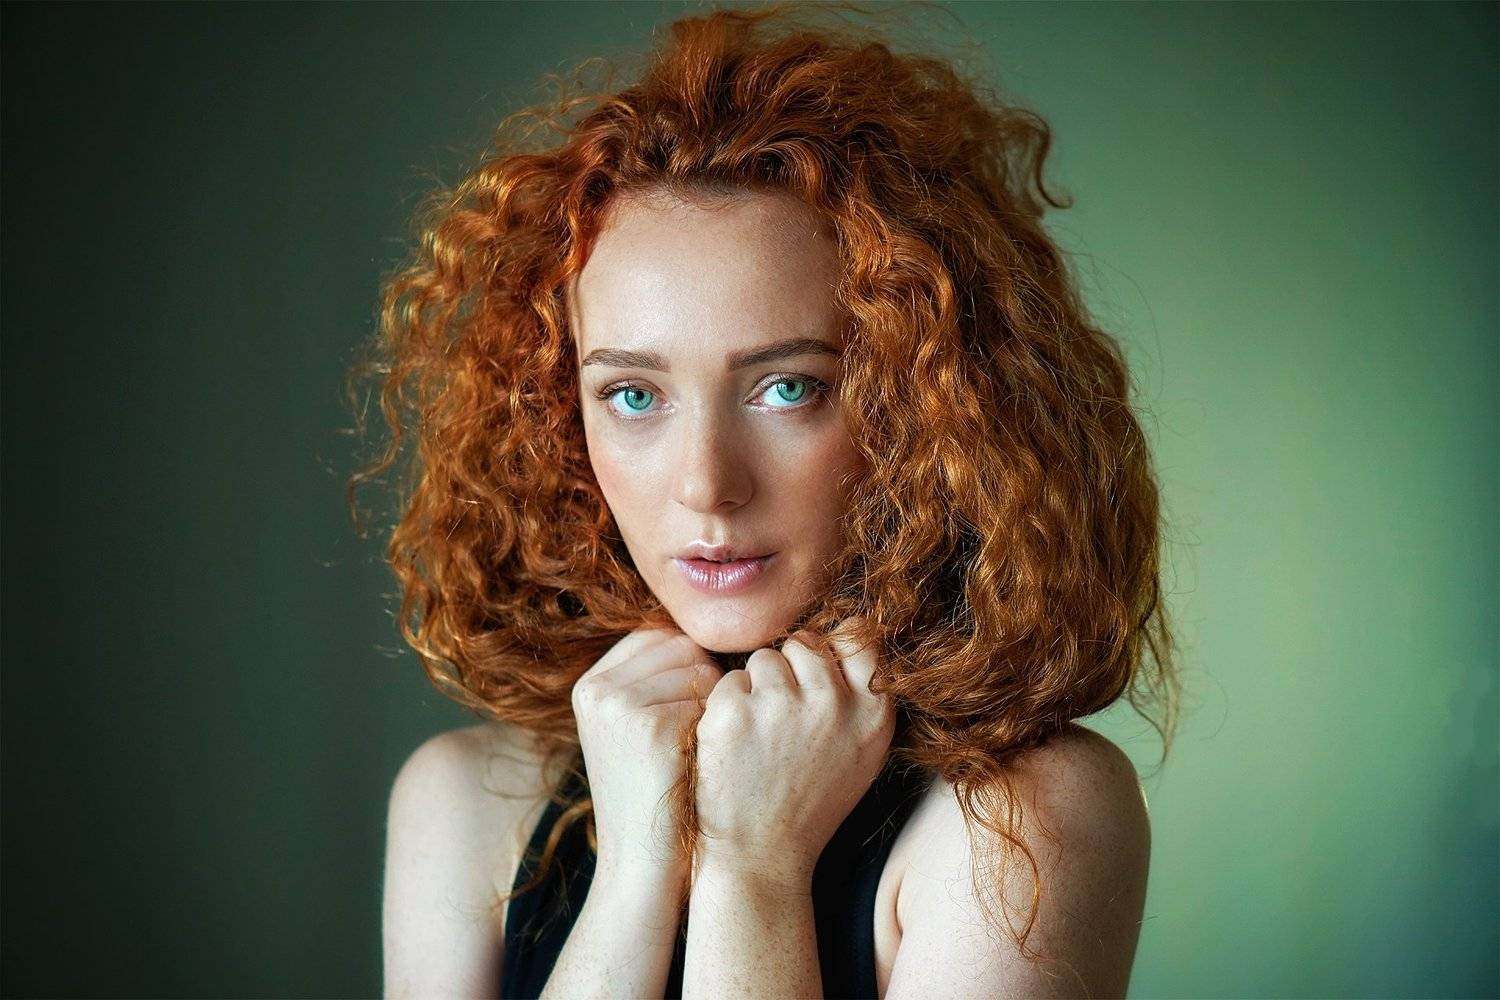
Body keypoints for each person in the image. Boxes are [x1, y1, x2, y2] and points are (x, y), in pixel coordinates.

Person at [350, 2, 1180, 997]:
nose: (706, 484)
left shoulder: (1027, 815)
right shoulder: (465, 801)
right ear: (562, 416)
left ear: (926, 403)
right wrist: (638, 870)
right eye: (633, 395)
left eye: (788, 387)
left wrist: (754, 866)